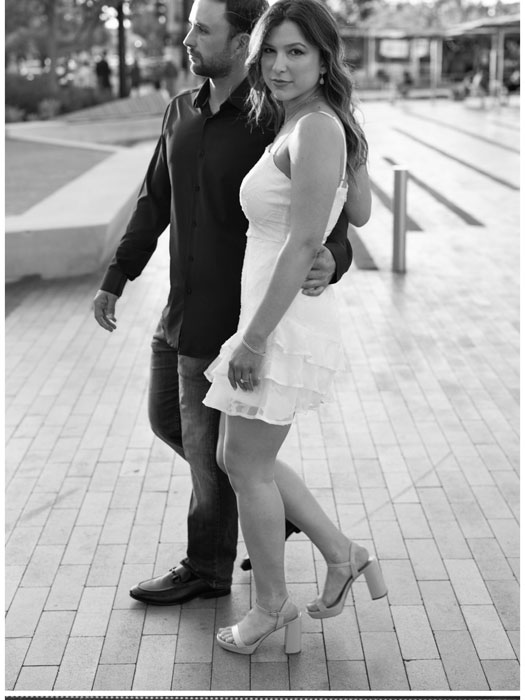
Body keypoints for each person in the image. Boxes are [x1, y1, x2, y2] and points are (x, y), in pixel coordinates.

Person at [92, 0, 353, 608]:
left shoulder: (274, 116)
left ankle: (208, 565)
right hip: (177, 305)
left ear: (240, 42)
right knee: (171, 422)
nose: (187, 38)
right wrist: (117, 274)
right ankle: (271, 507)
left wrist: (333, 258)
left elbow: (326, 214)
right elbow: (153, 200)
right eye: (189, 25)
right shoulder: (179, 111)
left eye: (201, 29)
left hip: (234, 315)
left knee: (220, 452)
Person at [203, 0, 386, 656]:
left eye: (296, 52)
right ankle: (340, 554)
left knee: (245, 465)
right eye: (271, 52)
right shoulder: (314, 122)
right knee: (238, 458)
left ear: (324, 58)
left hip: (278, 324)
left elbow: (305, 238)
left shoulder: (316, 129)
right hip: (273, 313)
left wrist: (253, 340)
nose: (278, 66)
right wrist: (348, 132)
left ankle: (271, 606)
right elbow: (358, 210)